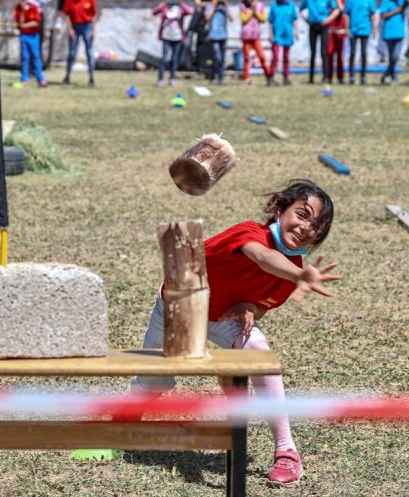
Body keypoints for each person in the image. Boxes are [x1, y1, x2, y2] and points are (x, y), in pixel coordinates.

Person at [126, 179, 341, 488]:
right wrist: (299, 273)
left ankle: (286, 451)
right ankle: (124, 422)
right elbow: (262, 257)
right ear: (279, 210)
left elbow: (264, 303)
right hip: (180, 306)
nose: (307, 227)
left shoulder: (290, 275)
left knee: (257, 348)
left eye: (317, 225)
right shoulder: (250, 232)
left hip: (222, 317)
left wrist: (249, 306)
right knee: (155, 380)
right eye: (302, 214)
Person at [300, 0, 339, 84]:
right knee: (312, 53)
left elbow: (336, 10)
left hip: (323, 26)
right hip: (313, 26)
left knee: (323, 52)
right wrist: (306, 20)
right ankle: (311, 78)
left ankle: (325, 77)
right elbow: (301, 9)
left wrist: (328, 20)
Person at [153, 0, 192, 87]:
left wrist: (181, 4)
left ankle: (172, 78)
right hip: (166, 36)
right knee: (165, 58)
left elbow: (190, 12)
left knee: (175, 59)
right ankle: (160, 79)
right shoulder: (165, 8)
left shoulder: (179, 8)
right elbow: (154, 12)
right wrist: (164, 4)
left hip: (177, 37)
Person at [62, 0, 96, 85]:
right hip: (75, 26)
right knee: (72, 52)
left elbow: (93, 15)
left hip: (86, 26)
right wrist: (70, 29)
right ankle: (67, 76)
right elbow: (67, 15)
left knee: (89, 52)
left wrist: (93, 30)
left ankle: (91, 77)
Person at [344, 0, 376, 85]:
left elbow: (372, 14)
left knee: (364, 53)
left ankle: (363, 76)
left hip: (365, 29)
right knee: (352, 53)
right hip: (353, 29)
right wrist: (347, 28)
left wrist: (374, 28)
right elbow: (346, 14)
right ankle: (352, 76)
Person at [378, 0, 409, 84]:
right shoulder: (386, 0)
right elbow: (383, 15)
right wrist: (397, 11)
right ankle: (394, 78)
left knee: (395, 56)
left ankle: (386, 74)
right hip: (388, 32)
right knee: (391, 57)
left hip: (399, 32)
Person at [14, 0, 47, 86]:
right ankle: (24, 78)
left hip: (33, 35)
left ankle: (40, 77)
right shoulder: (18, 8)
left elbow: (36, 22)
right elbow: (19, 23)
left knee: (36, 56)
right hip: (24, 35)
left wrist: (25, 25)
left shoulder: (34, 7)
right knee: (25, 57)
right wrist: (23, 11)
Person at [239, 0, 271, 85]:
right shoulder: (243, 5)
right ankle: (247, 77)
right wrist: (251, 11)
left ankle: (268, 76)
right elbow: (243, 19)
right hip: (246, 35)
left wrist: (255, 11)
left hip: (256, 35)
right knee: (246, 58)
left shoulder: (260, 5)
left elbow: (263, 19)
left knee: (261, 56)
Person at [268, 0, 298, 86]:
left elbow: (295, 19)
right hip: (277, 34)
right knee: (275, 56)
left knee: (286, 57)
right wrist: (270, 34)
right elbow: (270, 21)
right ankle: (271, 77)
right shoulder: (274, 5)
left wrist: (296, 31)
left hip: (288, 33)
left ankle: (286, 77)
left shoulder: (291, 5)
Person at [205, 0, 232, 85]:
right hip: (214, 36)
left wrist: (226, 5)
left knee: (222, 58)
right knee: (217, 57)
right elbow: (207, 18)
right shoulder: (210, 6)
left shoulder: (224, 7)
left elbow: (231, 18)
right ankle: (214, 76)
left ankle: (220, 78)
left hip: (223, 36)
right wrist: (214, 5)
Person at [325, 0, 347, 83]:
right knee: (329, 54)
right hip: (330, 30)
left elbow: (343, 10)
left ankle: (340, 77)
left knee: (339, 55)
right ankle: (328, 77)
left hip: (340, 30)